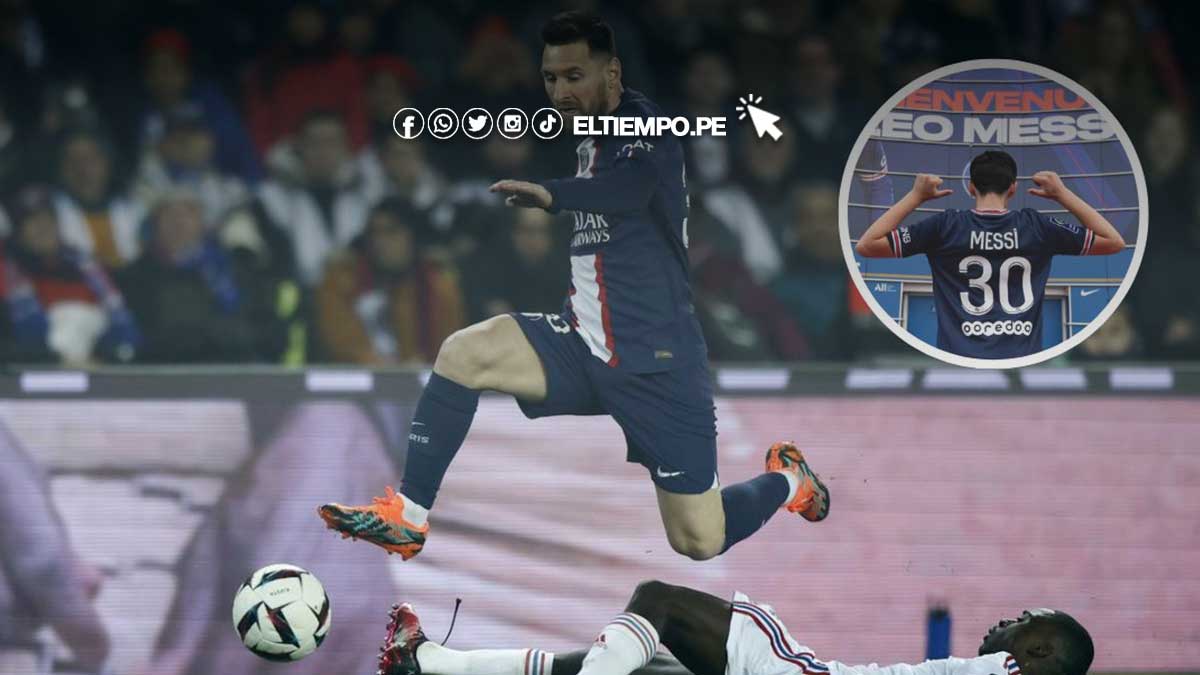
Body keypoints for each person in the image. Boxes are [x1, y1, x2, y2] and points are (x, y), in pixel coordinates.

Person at [318, 11, 829, 563]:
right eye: (550, 78)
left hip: (657, 363)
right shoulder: (590, 137)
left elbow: (630, 190)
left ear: (613, 74)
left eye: (574, 76)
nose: (560, 92)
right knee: (464, 353)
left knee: (698, 539)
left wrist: (554, 195)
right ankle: (408, 516)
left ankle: (789, 481)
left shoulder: (646, 126)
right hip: (582, 343)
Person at [376, 580, 1094, 675]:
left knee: (658, 601)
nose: (1003, 623)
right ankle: (427, 662)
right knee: (647, 668)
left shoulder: (1011, 673)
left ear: (1037, 650)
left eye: (1020, 621)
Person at [855, 150, 1126, 359]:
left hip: (957, 361)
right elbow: (1113, 241)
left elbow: (867, 245)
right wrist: (1062, 194)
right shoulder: (1037, 226)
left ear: (971, 187)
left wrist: (916, 196)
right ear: (1013, 188)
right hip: (1021, 361)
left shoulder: (945, 226)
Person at [315, 199, 466, 365]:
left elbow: (451, 351)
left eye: (391, 232)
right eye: (374, 233)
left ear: (414, 237)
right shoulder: (342, 282)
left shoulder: (438, 287)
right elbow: (345, 347)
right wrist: (395, 370)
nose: (380, 242)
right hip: (360, 378)